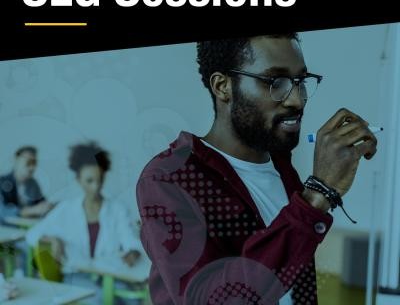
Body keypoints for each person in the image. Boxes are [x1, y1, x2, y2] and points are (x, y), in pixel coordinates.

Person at [136, 34, 378, 304]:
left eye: (300, 81)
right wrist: (317, 196)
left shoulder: (282, 168)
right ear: (222, 86)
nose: (297, 100)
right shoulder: (170, 178)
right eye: (276, 82)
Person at [26, 142, 143, 305]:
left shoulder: (117, 209)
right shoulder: (66, 209)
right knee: (99, 300)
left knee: (133, 301)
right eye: (89, 181)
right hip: (76, 276)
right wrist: (53, 240)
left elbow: (130, 240)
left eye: (99, 179)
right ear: (78, 180)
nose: (95, 187)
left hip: (109, 275)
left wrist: (133, 252)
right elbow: (31, 234)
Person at [0, 146, 52, 222]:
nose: (32, 167)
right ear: (16, 160)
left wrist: (48, 207)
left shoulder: (33, 183)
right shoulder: (2, 182)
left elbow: (41, 202)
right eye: (28, 162)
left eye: (34, 163)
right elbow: (2, 212)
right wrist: (28, 211)